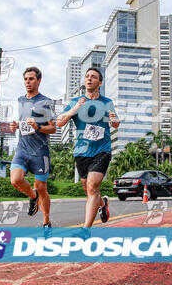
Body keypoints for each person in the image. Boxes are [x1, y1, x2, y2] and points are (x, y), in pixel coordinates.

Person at [57, 67, 119, 235]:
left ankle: (86, 230)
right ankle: (103, 204)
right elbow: (59, 123)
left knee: (92, 186)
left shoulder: (107, 102)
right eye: (87, 76)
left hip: (102, 149)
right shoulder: (75, 101)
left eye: (93, 77)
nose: (89, 79)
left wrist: (114, 120)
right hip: (82, 151)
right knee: (88, 190)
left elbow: (115, 122)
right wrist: (75, 108)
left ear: (100, 82)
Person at [9, 67, 56, 237]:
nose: (28, 82)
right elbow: (22, 123)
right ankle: (32, 196)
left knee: (42, 188)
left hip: (40, 151)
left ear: (39, 80)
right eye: (26, 79)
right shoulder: (21, 100)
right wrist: (15, 126)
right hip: (22, 148)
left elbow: (53, 128)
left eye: (31, 79)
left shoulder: (46, 102)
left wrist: (38, 127)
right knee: (16, 179)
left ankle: (46, 221)